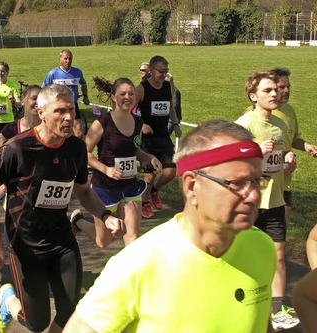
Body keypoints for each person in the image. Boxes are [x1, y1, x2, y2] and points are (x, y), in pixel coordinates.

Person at [63, 119, 277, 333]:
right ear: (192, 185)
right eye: (237, 183)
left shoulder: (263, 246)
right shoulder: (138, 265)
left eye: (257, 182)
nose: (254, 195)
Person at [0, 84, 125, 333]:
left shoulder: (76, 148)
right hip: (25, 245)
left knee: (70, 309)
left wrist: (105, 215)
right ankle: (6, 300)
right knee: (37, 322)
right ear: (40, 111)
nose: (69, 117)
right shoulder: (17, 148)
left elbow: (84, 191)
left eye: (71, 110)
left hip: (61, 240)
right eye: (60, 111)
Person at [235, 71, 299, 331]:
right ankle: (239, 300)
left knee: (278, 254)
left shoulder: (281, 126)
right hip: (249, 202)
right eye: (267, 91)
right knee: (244, 256)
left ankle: (278, 307)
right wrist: (256, 154)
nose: (274, 94)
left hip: (274, 199)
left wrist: (288, 162)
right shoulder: (243, 126)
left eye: (275, 90)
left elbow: (280, 164)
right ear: (253, 96)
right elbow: (232, 167)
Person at [82, 77, 161, 247]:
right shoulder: (102, 122)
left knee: (131, 237)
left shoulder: (138, 122)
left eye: (131, 94)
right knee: (103, 242)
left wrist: (150, 158)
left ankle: (130, 273)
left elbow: (133, 150)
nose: (128, 97)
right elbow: (84, 153)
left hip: (130, 186)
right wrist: (106, 169)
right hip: (105, 187)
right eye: (123, 94)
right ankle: (78, 222)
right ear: (114, 96)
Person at [269, 68, 317, 260]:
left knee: (280, 230)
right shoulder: (256, 114)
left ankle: (274, 264)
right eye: (282, 87)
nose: (287, 90)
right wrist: (284, 156)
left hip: (284, 180)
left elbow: (293, 138)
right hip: (265, 183)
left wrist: (306, 146)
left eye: (288, 86)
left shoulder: (289, 111)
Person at [135, 55, 181, 219]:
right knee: (150, 175)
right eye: (160, 71)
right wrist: (141, 125)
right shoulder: (141, 88)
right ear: (151, 71)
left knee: (170, 172)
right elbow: (128, 110)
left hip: (163, 136)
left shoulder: (168, 86)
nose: (163, 74)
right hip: (148, 139)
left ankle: (154, 191)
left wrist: (175, 124)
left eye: (166, 71)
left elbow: (171, 108)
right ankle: (144, 203)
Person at [42, 49, 90, 139]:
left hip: (73, 105)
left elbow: (83, 84)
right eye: (65, 58)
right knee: (59, 133)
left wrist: (85, 96)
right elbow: (43, 89)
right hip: (57, 107)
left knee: (79, 133)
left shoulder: (77, 72)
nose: (68, 61)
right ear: (60, 59)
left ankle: (77, 152)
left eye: (70, 59)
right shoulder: (53, 73)